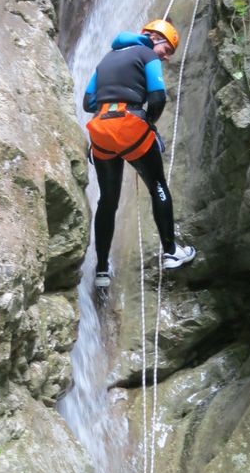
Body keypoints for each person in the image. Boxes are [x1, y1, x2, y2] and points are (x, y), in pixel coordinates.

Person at [83, 19, 196, 289]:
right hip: (130, 126)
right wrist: (148, 125)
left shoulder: (107, 59)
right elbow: (158, 97)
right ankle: (171, 251)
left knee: (107, 201)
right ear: (153, 37)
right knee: (157, 184)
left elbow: (88, 103)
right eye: (166, 50)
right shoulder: (146, 53)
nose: (166, 57)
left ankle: (101, 271)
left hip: (100, 131)